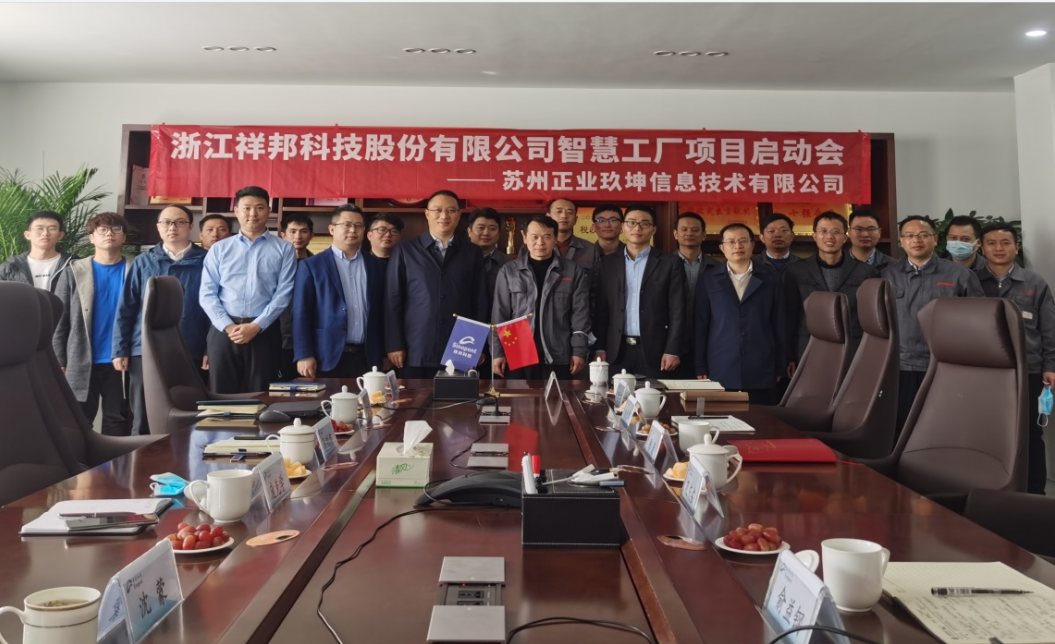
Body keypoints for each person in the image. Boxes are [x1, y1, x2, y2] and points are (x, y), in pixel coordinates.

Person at [882, 215, 984, 438]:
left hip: (945, 365)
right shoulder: (888, 275)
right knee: (902, 428)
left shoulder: (959, 274)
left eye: (923, 235)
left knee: (943, 427)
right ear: (901, 240)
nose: (916, 240)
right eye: (909, 235)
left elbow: (979, 322)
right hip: (902, 366)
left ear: (935, 239)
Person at [113, 205, 210, 434]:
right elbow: (126, 308)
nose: (172, 227)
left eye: (179, 222)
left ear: (190, 226)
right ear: (158, 227)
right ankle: (141, 458)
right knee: (143, 416)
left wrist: (209, 348)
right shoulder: (143, 262)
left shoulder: (207, 261)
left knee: (188, 415)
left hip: (191, 347)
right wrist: (120, 349)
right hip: (144, 348)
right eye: (166, 222)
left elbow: (213, 309)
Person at [978, 222, 1055, 494]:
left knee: (1031, 433)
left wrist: (1050, 366)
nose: (998, 248)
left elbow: (1049, 329)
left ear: (1016, 247)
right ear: (982, 248)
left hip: (1029, 370)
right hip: (985, 372)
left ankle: (1034, 494)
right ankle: (992, 491)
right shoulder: (972, 281)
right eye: (991, 243)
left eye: (1006, 243)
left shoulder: (1035, 283)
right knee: (989, 433)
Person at [200, 186, 296, 392]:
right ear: (236, 211)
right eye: (247, 208)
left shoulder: (284, 248)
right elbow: (207, 294)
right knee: (220, 394)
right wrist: (228, 327)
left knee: (262, 394)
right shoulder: (219, 248)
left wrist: (256, 326)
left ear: (268, 211)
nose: (253, 213)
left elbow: (284, 293)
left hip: (264, 331)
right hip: (223, 331)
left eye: (259, 207)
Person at [384, 189, 487, 379]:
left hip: (461, 346)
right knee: (414, 397)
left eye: (451, 210)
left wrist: (478, 344)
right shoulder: (405, 250)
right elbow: (393, 301)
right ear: (427, 213)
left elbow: (480, 301)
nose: (444, 216)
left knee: (457, 398)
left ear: (459, 215)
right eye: (438, 210)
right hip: (416, 346)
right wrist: (394, 344)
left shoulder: (472, 252)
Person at [53, 213, 131, 436]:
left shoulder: (135, 268)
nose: (109, 234)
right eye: (102, 230)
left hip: (122, 359)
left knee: (118, 420)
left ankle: (117, 461)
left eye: (116, 229)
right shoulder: (73, 271)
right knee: (79, 421)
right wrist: (59, 359)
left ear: (124, 237)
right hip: (81, 358)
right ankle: (82, 461)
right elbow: (60, 319)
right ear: (91, 237)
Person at [695, 223, 786, 405]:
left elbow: (780, 323)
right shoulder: (709, 278)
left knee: (761, 419)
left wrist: (780, 365)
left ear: (752, 245)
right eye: (731, 242)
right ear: (722, 247)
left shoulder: (771, 277)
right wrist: (700, 365)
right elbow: (700, 324)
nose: (737, 246)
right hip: (721, 364)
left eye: (743, 241)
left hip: (761, 365)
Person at [491, 215, 590, 380]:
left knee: (557, 396)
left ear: (555, 239)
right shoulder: (509, 271)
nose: (540, 242)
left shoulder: (572, 271)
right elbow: (499, 315)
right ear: (524, 238)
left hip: (558, 352)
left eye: (547, 237)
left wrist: (579, 350)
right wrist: (497, 352)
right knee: (519, 397)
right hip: (517, 350)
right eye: (534, 237)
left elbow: (580, 315)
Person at [593, 204, 685, 379]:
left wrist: (672, 350)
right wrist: (600, 347)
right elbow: (601, 310)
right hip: (616, 350)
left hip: (656, 350)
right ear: (623, 227)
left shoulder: (670, 263)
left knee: (655, 395)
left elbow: (678, 310)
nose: (637, 228)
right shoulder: (607, 264)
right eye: (632, 222)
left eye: (644, 223)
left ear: (654, 229)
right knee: (614, 395)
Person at [293, 204, 384, 379]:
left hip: (368, 356)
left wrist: (384, 353)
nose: (353, 230)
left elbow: (382, 312)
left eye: (358, 225)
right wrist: (304, 354)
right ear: (332, 229)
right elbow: (301, 312)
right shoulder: (312, 266)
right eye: (346, 225)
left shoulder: (376, 266)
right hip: (326, 355)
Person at [783, 211, 877, 364]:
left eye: (835, 232)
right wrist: (790, 357)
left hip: (852, 346)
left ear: (845, 237)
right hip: (809, 346)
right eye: (823, 231)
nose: (829, 237)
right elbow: (790, 317)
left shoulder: (865, 272)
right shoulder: (796, 271)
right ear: (815, 236)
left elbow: (870, 318)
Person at [673, 212, 716, 378]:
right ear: (675, 234)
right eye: (684, 229)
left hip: (708, 339)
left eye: (695, 230)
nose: (689, 233)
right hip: (673, 341)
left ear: (704, 235)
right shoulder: (663, 265)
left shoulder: (718, 268)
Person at [275, 213, 316, 379]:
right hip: (277, 338)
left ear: (311, 235)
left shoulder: (319, 265)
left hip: (310, 339)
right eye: (292, 231)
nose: (298, 236)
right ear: (283, 235)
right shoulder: (273, 265)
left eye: (303, 231)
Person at [519, 197, 597, 273]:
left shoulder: (590, 249)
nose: (564, 216)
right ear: (548, 217)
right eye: (559, 211)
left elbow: (596, 279)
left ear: (575, 220)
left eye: (569, 212)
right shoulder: (529, 247)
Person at [0, 210, 72, 291]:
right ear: (28, 235)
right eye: (39, 228)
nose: (45, 233)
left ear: (60, 235)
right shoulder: (10, 267)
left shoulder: (73, 264)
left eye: (52, 228)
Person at [466, 207, 510, 313]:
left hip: (496, 320)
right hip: (463, 320)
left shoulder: (508, 264)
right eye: (481, 228)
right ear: (469, 231)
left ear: (499, 234)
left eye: (492, 229)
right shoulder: (456, 261)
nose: (486, 233)